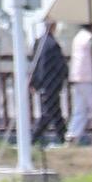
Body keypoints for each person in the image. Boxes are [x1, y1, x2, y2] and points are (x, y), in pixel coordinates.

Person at [67, 22, 92, 145]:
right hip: (90, 79)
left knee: (80, 110)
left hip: (77, 78)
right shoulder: (90, 39)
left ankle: (72, 136)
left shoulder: (78, 38)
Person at [30, 13, 66, 146]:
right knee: (48, 113)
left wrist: (34, 82)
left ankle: (64, 138)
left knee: (56, 113)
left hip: (43, 83)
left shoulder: (39, 43)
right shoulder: (53, 45)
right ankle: (32, 140)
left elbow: (34, 64)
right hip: (52, 83)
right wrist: (63, 77)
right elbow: (60, 66)